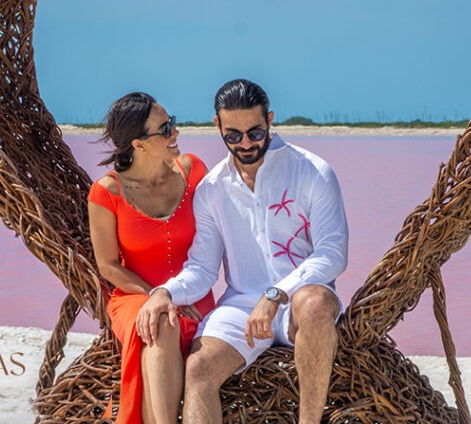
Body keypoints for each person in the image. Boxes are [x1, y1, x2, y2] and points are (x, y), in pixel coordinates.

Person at [136, 79, 348, 424]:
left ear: (270, 120)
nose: (246, 143)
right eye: (233, 135)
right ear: (217, 125)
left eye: (255, 131)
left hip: (300, 302)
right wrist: (165, 292)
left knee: (315, 302)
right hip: (241, 305)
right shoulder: (211, 190)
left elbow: (332, 253)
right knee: (200, 367)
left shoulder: (312, 172)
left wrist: (276, 293)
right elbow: (202, 269)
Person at [88, 92, 216, 424]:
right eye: (165, 129)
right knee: (161, 320)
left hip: (194, 292)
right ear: (138, 144)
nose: (176, 133)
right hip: (134, 295)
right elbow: (108, 265)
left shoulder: (194, 171)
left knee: (165, 319)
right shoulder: (108, 191)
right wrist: (156, 296)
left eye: (172, 122)